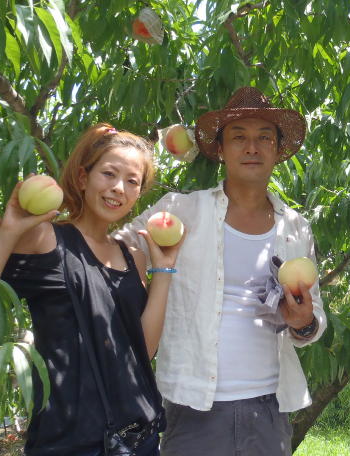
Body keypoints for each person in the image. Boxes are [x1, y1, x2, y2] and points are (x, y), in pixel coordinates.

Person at [113, 86, 327, 456]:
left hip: (269, 408)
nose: (251, 147)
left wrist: (303, 321)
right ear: (222, 149)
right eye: (238, 137)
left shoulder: (295, 227)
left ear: (278, 150)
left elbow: (313, 318)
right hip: (193, 407)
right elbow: (115, 254)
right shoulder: (181, 211)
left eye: (264, 137)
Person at [0, 124, 180, 456]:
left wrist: (164, 271)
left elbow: (142, 351)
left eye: (132, 181)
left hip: (135, 437)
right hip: (67, 438)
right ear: (83, 178)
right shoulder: (47, 238)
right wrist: (9, 232)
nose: (118, 188)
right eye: (109, 174)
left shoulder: (132, 256)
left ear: (138, 194)